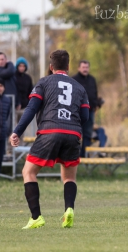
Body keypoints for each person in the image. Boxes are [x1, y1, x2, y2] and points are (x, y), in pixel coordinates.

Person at [10, 50, 89, 229]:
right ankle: (69, 209)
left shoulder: (44, 82)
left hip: (50, 131)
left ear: (51, 67)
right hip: (73, 133)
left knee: (28, 172)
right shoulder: (79, 87)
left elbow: (31, 109)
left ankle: (36, 217)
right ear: (68, 67)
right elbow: (85, 116)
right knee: (69, 177)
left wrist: (17, 131)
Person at [72, 60, 98, 157]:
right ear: (79, 68)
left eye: (87, 67)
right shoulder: (74, 79)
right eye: (83, 67)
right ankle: (75, 155)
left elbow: (95, 93)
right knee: (76, 133)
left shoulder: (92, 80)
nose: (85, 69)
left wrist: (96, 104)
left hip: (90, 111)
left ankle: (85, 156)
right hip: (77, 112)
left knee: (87, 134)